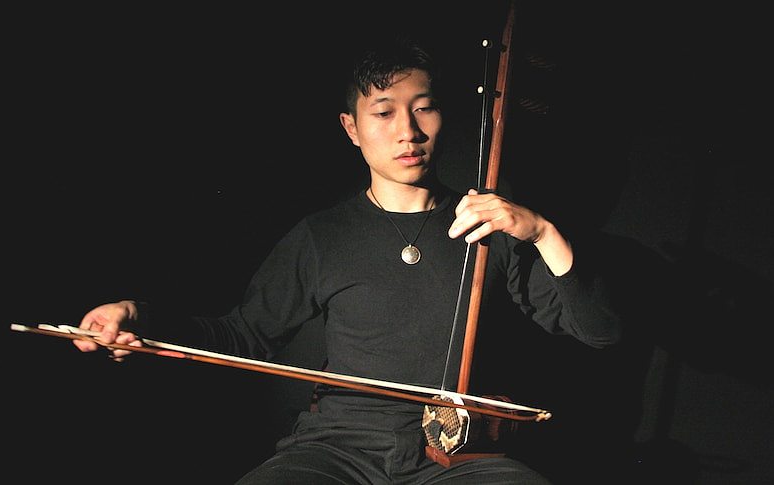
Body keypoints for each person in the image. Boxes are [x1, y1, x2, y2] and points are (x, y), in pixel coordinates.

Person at [72, 35, 623, 484]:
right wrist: (138, 316)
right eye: (384, 113)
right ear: (351, 128)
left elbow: (599, 331)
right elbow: (244, 335)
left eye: (423, 109)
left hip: (456, 455)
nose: (408, 132)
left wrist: (543, 231)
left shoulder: (491, 224)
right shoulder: (321, 235)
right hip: (337, 449)